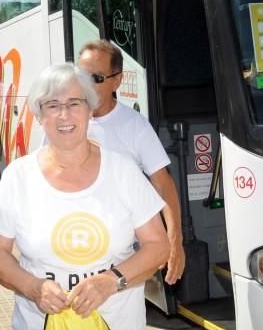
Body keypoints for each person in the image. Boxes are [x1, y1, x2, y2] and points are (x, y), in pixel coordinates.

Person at [0, 63, 170, 330]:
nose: (64, 115)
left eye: (74, 103)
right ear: (38, 115)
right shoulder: (20, 177)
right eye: (52, 105)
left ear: (90, 109)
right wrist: (33, 288)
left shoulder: (121, 171)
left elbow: (158, 245)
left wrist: (112, 280)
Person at [77, 40, 186, 284]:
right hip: (74, 243)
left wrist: (174, 241)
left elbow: (163, 184)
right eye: (80, 76)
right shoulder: (64, 122)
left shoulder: (134, 125)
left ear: (117, 81)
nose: (84, 86)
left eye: (95, 78)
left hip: (122, 254)